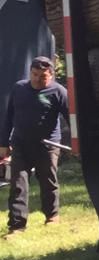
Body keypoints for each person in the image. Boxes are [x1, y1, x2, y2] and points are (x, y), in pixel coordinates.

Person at [2, 57, 69, 234]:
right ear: (30, 72)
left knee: (48, 181)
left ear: (51, 76)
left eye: (43, 76)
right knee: (18, 183)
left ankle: (52, 216)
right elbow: (8, 117)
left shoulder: (58, 92)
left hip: (47, 145)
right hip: (20, 144)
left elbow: (72, 117)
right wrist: (3, 143)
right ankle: (17, 225)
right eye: (34, 74)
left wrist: (79, 143)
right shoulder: (19, 88)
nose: (37, 79)